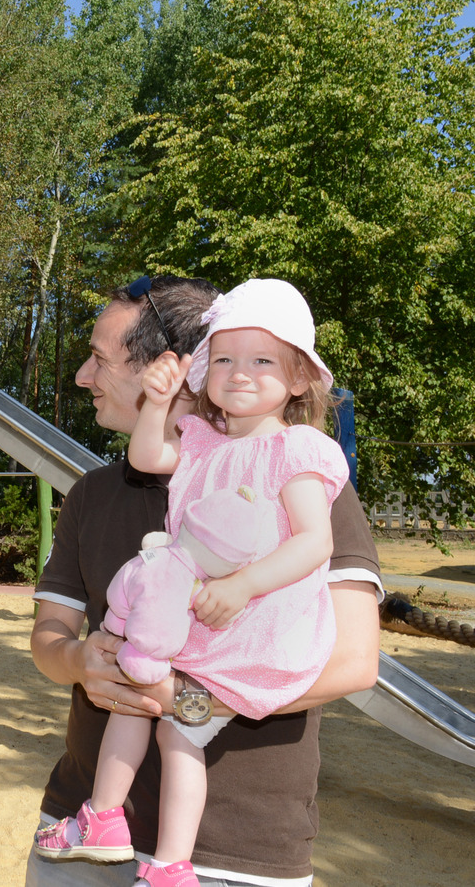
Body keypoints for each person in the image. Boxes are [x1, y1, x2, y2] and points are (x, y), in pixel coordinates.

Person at [27, 275, 382, 887]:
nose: (84, 377)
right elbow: (48, 640)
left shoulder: (299, 474)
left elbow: (354, 664)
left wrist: (186, 700)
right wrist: (81, 660)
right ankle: (100, 815)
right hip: (79, 831)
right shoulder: (91, 494)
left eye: (99, 360)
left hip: (238, 853)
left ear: (168, 366)